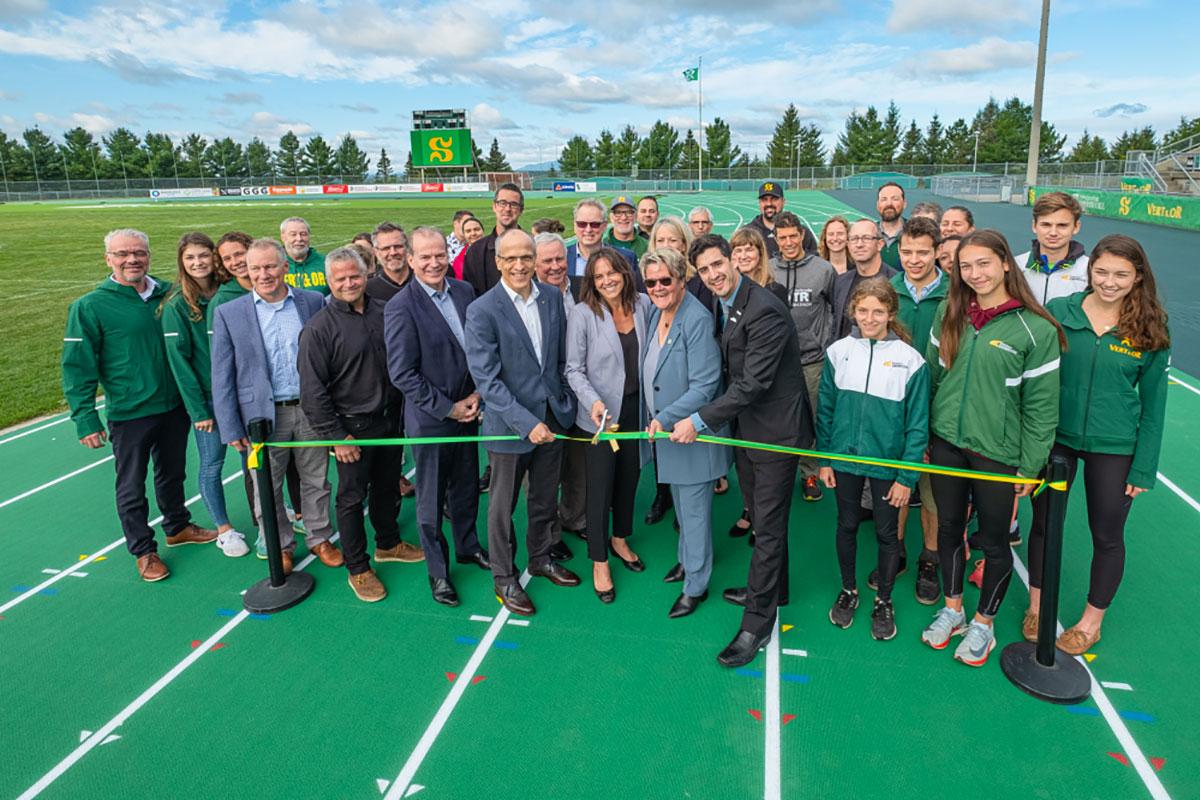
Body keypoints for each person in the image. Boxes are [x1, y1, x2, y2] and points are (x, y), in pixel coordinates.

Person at [921, 229, 1065, 667]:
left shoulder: (1034, 328)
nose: (975, 273)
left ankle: (984, 622)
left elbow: (1042, 408)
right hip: (946, 443)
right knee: (948, 529)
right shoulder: (949, 311)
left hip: (998, 454)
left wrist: (1029, 465)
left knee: (996, 542)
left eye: (984, 263)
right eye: (966, 266)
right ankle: (953, 609)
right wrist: (927, 436)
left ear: (1005, 263)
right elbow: (932, 378)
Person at [669, 234, 813, 667]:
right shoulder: (731, 301)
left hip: (775, 434)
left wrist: (698, 420)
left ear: (735, 261)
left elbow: (752, 383)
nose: (713, 275)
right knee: (760, 515)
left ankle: (756, 623)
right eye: (705, 270)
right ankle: (775, 589)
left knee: (767, 529)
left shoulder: (764, 308)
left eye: (718, 264)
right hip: (748, 431)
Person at [1024, 235, 1170, 655]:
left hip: (1115, 445)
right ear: (1089, 270)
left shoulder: (1152, 326)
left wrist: (1143, 467)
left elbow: (1154, 405)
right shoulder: (1060, 312)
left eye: (1121, 274)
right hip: (1057, 439)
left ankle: (1091, 622)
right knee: (1044, 524)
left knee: (1106, 533)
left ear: (1138, 276)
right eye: (1102, 271)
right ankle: (1037, 606)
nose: (1109, 281)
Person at [62, 229, 217, 582]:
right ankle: (143, 550)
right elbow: (77, 365)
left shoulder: (171, 293)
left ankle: (177, 525)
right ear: (108, 260)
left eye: (139, 253)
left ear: (149, 255)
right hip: (130, 411)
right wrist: (85, 418)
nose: (132, 259)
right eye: (122, 254)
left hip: (174, 405)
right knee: (131, 484)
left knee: (173, 472)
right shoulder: (90, 306)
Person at [464, 229, 581, 616]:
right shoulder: (482, 309)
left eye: (525, 258)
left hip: (553, 420)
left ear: (535, 259)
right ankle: (504, 577)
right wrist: (526, 422)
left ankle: (541, 558)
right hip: (511, 427)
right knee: (502, 508)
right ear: (498, 261)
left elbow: (559, 359)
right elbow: (487, 379)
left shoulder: (550, 297)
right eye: (510, 258)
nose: (519, 265)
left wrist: (561, 403)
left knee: (544, 498)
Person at [210, 238, 343, 575]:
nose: (263, 274)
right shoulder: (230, 313)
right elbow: (222, 373)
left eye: (270, 266)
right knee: (266, 485)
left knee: (316, 479)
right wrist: (230, 426)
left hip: (310, 409)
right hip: (262, 417)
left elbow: (330, 357)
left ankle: (320, 537)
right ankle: (279, 545)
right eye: (255, 268)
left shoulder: (313, 302)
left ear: (285, 267)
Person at [298, 247, 421, 602]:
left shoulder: (386, 311)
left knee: (387, 486)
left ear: (367, 273)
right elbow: (313, 393)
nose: (350, 283)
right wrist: (338, 437)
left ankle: (388, 543)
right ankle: (358, 567)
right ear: (329, 281)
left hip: (389, 421)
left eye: (355, 275)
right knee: (351, 499)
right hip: (352, 428)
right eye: (341, 278)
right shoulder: (318, 329)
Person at [385, 227, 494, 606]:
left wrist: (477, 396)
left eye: (439, 255)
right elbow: (402, 374)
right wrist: (449, 407)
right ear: (411, 260)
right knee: (430, 502)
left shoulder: (464, 291)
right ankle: (439, 572)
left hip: (470, 409)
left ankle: (467, 546)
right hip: (433, 420)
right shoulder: (401, 307)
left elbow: (480, 348)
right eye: (425, 257)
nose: (434, 263)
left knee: (465, 487)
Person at [818, 279, 929, 640]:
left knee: (886, 533)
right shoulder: (838, 352)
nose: (869, 317)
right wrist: (825, 459)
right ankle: (849, 589)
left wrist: (906, 477)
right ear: (853, 311)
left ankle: (884, 599)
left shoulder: (912, 362)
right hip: (845, 461)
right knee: (846, 524)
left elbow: (917, 426)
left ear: (891, 314)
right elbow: (826, 411)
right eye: (863, 310)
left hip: (887, 466)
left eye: (878, 311)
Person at [642, 248, 732, 617]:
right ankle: (686, 561)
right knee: (681, 506)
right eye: (651, 282)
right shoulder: (657, 313)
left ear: (682, 279)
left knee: (694, 513)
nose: (658, 287)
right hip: (669, 437)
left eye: (666, 280)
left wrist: (664, 418)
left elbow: (705, 385)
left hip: (690, 436)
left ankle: (696, 585)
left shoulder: (694, 318)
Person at [565, 247, 651, 603]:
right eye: (598, 277)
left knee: (630, 478)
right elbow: (573, 369)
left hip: (635, 410)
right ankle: (600, 560)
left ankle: (620, 538)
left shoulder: (645, 304)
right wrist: (594, 403)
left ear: (624, 272)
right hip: (600, 419)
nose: (606, 281)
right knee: (599, 489)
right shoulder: (584, 314)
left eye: (611, 273)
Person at [160, 232, 248, 558]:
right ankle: (224, 529)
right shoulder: (177, 307)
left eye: (203, 256)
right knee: (212, 464)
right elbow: (179, 364)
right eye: (190, 258)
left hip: (242, 393)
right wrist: (199, 411)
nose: (198, 263)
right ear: (182, 263)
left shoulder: (229, 293)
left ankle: (272, 508)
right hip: (210, 399)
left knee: (254, 458)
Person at [890, 216, 948, 605]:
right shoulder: (887, 290)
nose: (914, 259)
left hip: (939, 406)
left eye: (922, 252)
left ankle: (930, 557)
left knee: (932, 495)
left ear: (936, 252)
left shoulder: (954, 295)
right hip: (894, 407)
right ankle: (894, 551)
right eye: (907, 252)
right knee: (894, 486)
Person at [770, 210, 836, 503]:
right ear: (775, 239)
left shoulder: (823, 269)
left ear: (802, 236)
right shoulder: (768, 269)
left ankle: (809, 471)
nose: (788, 242)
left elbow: (835, 308)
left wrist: (826, 343)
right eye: (782, 237)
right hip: (778, 363)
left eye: (793, 236)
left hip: (812, 360)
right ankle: (780, 471)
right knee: (780, 420)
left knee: (811, 418)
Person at [534, 232, 586, 554]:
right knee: (544, 476)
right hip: (548, 396)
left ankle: (575, 519)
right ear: (534, 264)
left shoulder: (583, 287)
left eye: (559, 259)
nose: (555, 266)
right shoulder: (530, 296)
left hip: (581, 392)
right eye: (547, 261)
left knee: (579, 467)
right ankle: (549, 535)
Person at [1016, 191, 1090, 304]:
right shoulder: (1016, 266)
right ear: (1034, 226)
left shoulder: (1089, 270)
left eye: (1062, 225)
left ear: (1076, 227)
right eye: (1046, 225)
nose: (1053, 233)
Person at [833, 218, 898, 340]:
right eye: (854, 239)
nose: (859, 244)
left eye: (866, 238)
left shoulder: (895, 282)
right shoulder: (841, 282)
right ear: (848, 245)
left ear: (880, 244)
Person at [462, 183, 525, 297]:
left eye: (513, 204)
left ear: (521, 210)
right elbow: (471, 296)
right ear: (494, 206)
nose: (507, 209)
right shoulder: (475, 252)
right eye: (502, 203)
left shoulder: (533, 247)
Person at [567, 199, 637, 299]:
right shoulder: (561, 259)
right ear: (574, 225)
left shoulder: (626, 258)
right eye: (582, 224)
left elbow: (635, 296)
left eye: (594, 224)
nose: (588, 229)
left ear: (604, 226)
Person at [747, 181, 817, 259]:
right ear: (759, 203)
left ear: (783, 202)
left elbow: (813, 261)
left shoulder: (800, 231)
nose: (769, 203)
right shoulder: (748, 232)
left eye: (774, 199)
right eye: (764, 200)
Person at [280, 217, 328, 295]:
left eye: (303, 234)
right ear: (283, 237)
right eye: (293, 234)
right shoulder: (274, 265)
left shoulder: (326, 263)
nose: (299, 239)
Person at [366, 222, 410, 302]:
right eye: (386, 248)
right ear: (376, 252)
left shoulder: (424, 280)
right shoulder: (368, 289)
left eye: (398, 246)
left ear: (407, 247)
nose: (393, 252)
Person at [876, 182, 907, 270]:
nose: (889, 203)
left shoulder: (914, 232)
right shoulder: (869, 233)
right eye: (884, 199)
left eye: (895, 199)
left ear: (904, 204)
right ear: (878, 205)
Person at [450, 216, 485, 281]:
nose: (473, 233)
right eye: (468, 231)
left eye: (476, 229)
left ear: (483, 230)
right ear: (464, 235)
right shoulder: (459, 261)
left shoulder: (497, 248)